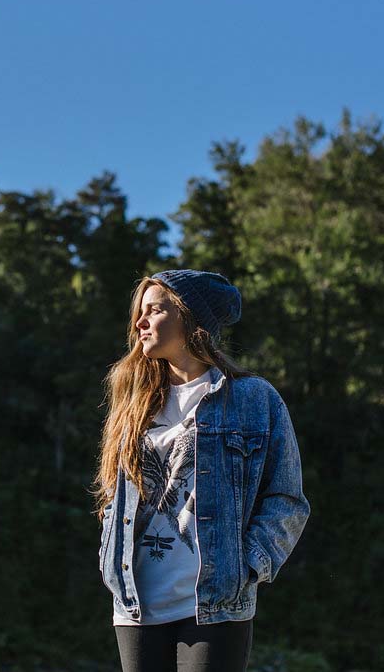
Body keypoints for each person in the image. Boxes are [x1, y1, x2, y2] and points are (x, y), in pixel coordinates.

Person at [92, 269, 311, 672]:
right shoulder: (133, 397)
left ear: (191, 320)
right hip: (137, 603)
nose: (140, 322)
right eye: (140, 312)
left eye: (155, 311)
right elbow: (114, 493)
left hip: (215, 603)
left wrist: (247, 566)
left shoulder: (253, 399)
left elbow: (286, 499)